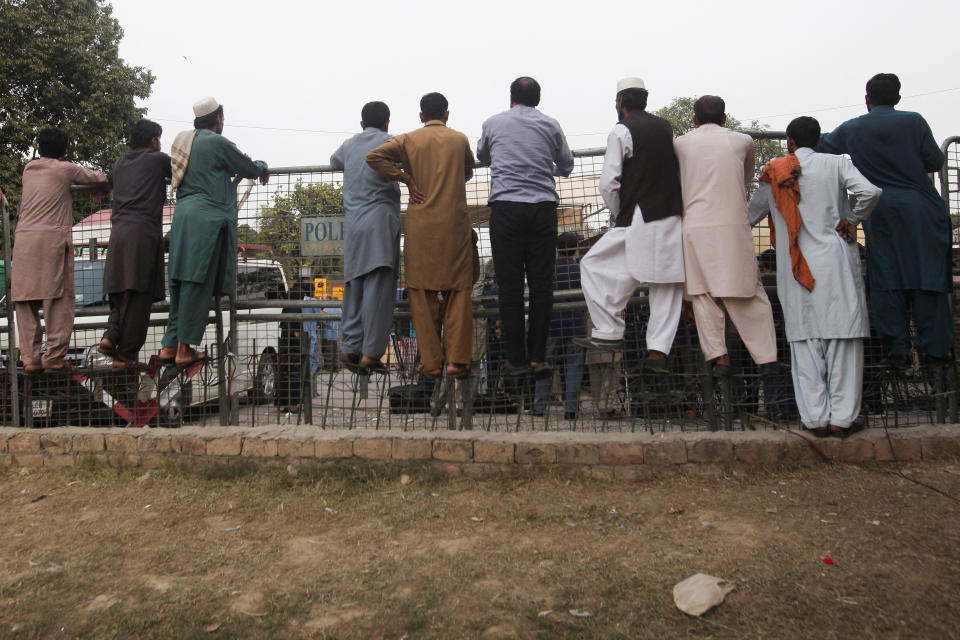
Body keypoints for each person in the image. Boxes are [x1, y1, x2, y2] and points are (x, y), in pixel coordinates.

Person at [748, 116, 881, 436]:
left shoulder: (774, 172)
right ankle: (842, 419)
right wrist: (851, 219)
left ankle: (815, 420)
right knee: (843, 341)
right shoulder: (837, 164)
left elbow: (748, 216)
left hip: (795, 267)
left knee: (805, 342)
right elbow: (870, 192)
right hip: (835, 265)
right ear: (818, 140)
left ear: (790, 142)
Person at [818, 73, 952, 369]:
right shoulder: (914, 121)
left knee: (886, 277)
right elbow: (934, 161)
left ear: (867, 99)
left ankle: (898, 350)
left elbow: (818, 149)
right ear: (899, 98)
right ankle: (937, 355)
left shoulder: (852, 128)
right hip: (922, 209)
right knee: (929, 278)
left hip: (879, 210)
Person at [572, 78, 684, 375]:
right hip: (673, 216)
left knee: (593, 264)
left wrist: (620, 213)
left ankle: (608, 332)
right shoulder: (665, 127)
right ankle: (658, 352)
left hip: (638, 217)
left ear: (620, 102)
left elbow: (609, 183)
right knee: (666, 284)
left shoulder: (622, 130)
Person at [366, 92, 476, 379]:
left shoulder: (407, 139)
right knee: (458, 292)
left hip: (420, 227)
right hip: (454, 225)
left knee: (420, 294)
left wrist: (405, 177)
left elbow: (374, 156)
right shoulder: (459, 139)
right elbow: (467, 173)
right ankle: (455, 361)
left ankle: (430, 365)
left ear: (421, 116)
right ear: (447, 114)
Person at [674, 95, 780, 377]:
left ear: (694, 119)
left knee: (702, 292)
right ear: (725, 118)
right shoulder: (743, 141)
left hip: (695, 225)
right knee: (747, 289)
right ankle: (767, 357)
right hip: (732, 222)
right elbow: (744, 178)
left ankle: (719, 356)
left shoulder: (680, 144)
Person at [158, 97, 269, 367]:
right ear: (218, 118)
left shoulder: (184, 139)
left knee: (180, 281)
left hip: (183, 216)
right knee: (198, 281)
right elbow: (247, 167)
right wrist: (262, 166)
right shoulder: (216, 142)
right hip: (205, 220)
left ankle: (169, 346)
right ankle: (185, 349)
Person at [477, 76, 574, 379]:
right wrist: (547, 167)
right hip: (543, 208)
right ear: (538, 100)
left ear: (511, 98)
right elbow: (567, 165)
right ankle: (537, 358)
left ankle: (516, 359)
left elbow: (483, 156)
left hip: (506, 208)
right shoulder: (551, 124)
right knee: (542, 286)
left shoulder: (493, 123)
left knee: (510, 286)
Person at [12, 128, 108, 372]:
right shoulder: (65, 169)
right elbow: (100, 178)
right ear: (65, 151)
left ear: (39, 148)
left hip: (23, 240)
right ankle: (54, 356)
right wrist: (101, 188)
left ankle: (30, 358)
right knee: (59, 298)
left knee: (26, 301)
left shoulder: (28, 169)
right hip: (52, 239)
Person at [329, 101, 401, 374]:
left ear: (361, 123)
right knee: (379, 291)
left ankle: (350, 348)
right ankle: (371, 353)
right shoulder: (392, 142)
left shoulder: (349, 144)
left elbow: (333, 161)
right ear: (387, 122)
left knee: (354, 288)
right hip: (381, 223)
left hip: (355, 225)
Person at [98, 119, 171, 368]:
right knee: (139, 294)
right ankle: (126, 354)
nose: (160, 144)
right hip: (143, 234)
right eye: (159, 139)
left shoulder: (119, 163)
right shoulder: (157, 159)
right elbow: (183, 170)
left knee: (119, 290)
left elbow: (106, 182)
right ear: (153, 141)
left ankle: (111, 335)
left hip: (117, 233)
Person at [533, 232, 586, 420]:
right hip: (577, 322)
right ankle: (571, 409)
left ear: (556, 247)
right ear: (575, 248)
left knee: (545, 364)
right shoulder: (581, 269)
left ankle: (539, 407)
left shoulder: (548, 269)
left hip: (552, 323)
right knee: (574, 366)